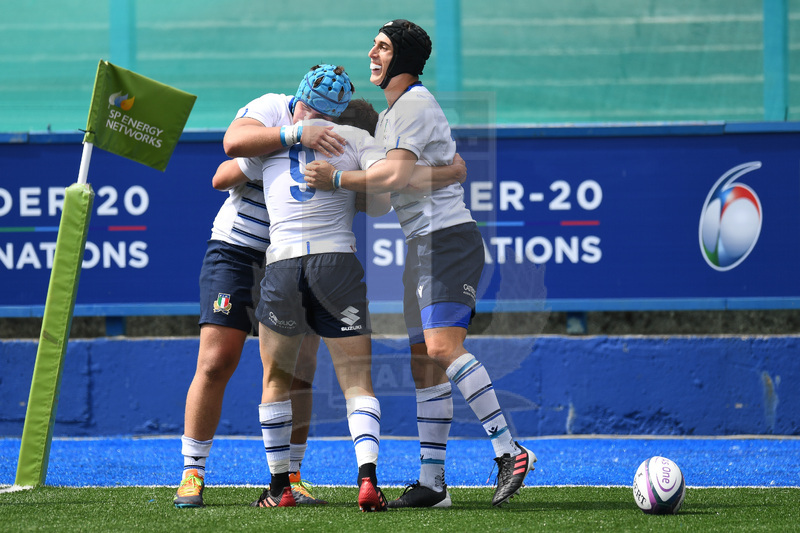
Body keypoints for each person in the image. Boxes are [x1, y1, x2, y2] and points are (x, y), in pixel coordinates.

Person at [303, 20, 536, 508]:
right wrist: (447, 170)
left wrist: (339, 179)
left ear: (402, 59)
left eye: (382, 47)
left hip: (446, 240)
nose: (372, 52)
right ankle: (433, 484)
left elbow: (391, 175)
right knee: (423, 364)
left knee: (442, 348)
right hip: (422, 243)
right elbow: (399, 180)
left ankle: (508, 449)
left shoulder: (412, 104)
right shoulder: (392, 114)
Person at [172, 65, 352, 509]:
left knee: (299, 373)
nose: (315, 121)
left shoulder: (337, 139)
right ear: (299, 98)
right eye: (309, 110)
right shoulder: (272, 109)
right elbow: (227, 156)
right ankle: (192, 472)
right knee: (217, 360)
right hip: (236, 250)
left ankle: (291, 476)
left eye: (325, 117)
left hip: (293, 260)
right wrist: (292, 138)